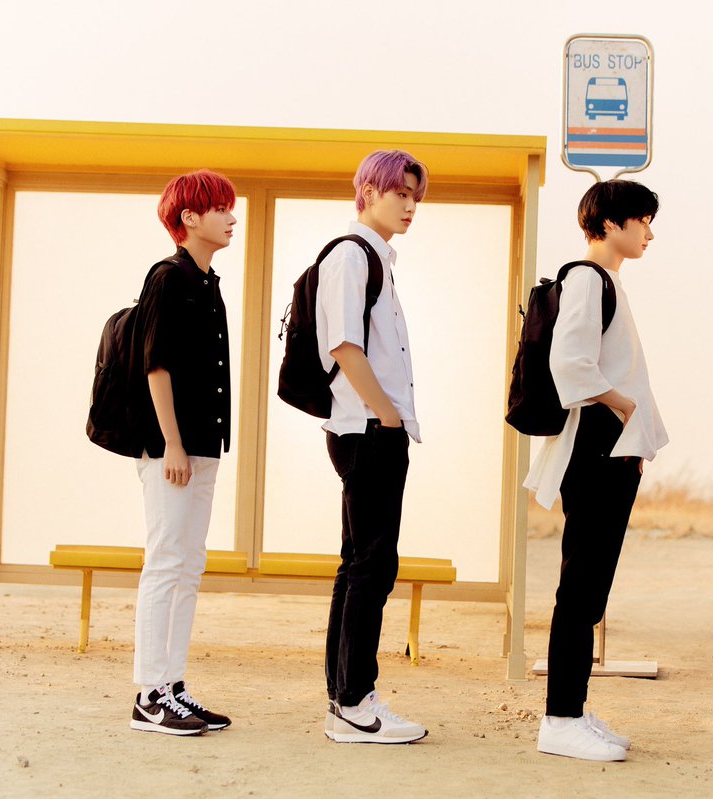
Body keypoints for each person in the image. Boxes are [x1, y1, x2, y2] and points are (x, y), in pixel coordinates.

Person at [524, 179, 669, 761]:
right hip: (595, 447)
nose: (650, 233)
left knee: (590, 589)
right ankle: (559, 720)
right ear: (610, 223)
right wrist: (624, 406)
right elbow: (570, 364)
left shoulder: (605, 281)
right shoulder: (588, 279)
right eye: (642, 221)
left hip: (609, 447)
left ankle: (574, 710)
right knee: (581, 587)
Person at [316, 150, 430, 744]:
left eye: (414, 196)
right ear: (368, 192)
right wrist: (386, 414)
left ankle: (345, 698)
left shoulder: (376, 258)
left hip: (372, 429)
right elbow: (343, 345)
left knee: (359, 564)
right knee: (372, 567)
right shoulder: (352, 255)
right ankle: (355, 703)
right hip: (367, 430)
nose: (410, 206)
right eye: (399, 194)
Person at [128, 169, 237, 736]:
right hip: (172, 448)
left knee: (189, 565)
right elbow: (157, 365)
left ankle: (172, 685)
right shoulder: (168, 277)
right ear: (189, 218)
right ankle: (149, 695)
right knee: (166, 562)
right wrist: (171, 442)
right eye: (221, 208)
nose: (232, 217)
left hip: (204, 444)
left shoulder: (209, 282)